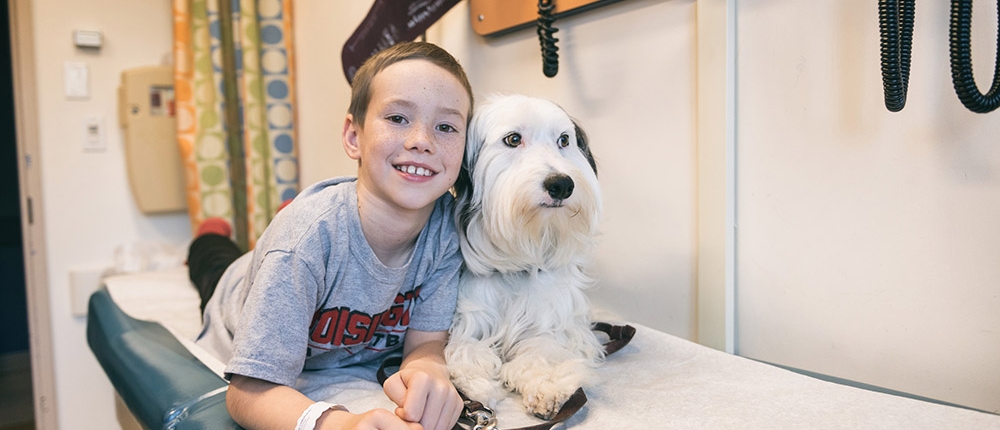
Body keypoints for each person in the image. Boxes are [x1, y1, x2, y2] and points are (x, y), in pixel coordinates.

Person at [188, 41, 474, 430]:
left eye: (446, 126)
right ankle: (210, 233)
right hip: (237, 291)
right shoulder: (303, 244)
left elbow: (425, 342)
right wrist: (341, 425)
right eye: (398, 118)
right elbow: (248, 391)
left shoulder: (445, 233)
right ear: (353, 137)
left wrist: (428, 369)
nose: (422, 140)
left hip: (297, 254)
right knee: (213, 262)